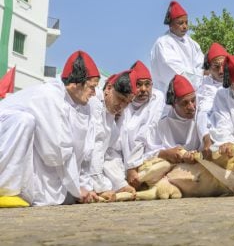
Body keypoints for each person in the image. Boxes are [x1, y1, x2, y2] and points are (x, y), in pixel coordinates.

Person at [0, 50, 100, 207]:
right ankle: (4, 189)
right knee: (24, 121)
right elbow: (56, 151)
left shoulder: (81, 107)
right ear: (75, 84)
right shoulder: (49, 96)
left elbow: (82, 153)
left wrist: (83, 187)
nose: (94, 93)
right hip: (6, 130)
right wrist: (76, 189)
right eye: (91, 87)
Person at [87, 70, 138, 200]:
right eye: (120, 99)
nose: (121, 106)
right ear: (108, 88)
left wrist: (120, 184)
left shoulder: (111, 119)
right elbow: (95, 149)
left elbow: (109, 154)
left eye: (127, 103)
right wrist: (100, 188)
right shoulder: (94, 104)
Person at [116, 61, 166, 189]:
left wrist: (132, 167)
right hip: (123, 163)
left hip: (149, 157)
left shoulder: (157, 98)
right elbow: (121, 137)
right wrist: (129, 168)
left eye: (147, 84)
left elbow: (144, 134)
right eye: (138, 85)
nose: (143, 89)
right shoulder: (124, 102)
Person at [150, 0, 204, 92]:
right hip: (169, 94)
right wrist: (199, 77)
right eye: (180, 23)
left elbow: (201, 65)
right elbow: (175, 71)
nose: (184, 26)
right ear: (170, 25)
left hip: (193, 93)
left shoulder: (192, 43)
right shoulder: (163, 43)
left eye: (186, 22)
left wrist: (201, 75)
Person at [146, 75, 201, 164]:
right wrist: (166, 154)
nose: (191, 107)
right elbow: (148, 153)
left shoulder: (201, 115)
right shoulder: (161, 124)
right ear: (173, 104)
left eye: (193, 100)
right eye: (185, 103)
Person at [196, 42, 228, 158]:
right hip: (215, 136)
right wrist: (206, 140)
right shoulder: (206, 87)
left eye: (224, 65)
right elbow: (203, 113)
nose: (221, 71)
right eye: (216, 66)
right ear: (208, 68)